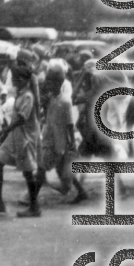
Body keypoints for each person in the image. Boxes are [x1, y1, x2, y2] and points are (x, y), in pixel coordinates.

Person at [0, 64, 42, 217]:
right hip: (15, 135)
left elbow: (21, 118)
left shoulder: (28, 96)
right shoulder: (22, 93)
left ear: (26, 80)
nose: (15, 81)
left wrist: (1, 132)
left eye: (18, 79)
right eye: (14, 78)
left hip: (25, 137)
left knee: (27, 172)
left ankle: (34, 207)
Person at [35, 67, 87, 205]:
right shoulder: (52, 98)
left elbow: (69, 124)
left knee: (42, 166)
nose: (47, 85)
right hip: (51, 137)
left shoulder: (65, 101)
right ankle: (81, 192)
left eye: (50, 82)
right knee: (62, 168)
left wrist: (71, 144)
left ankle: (31, 199)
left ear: (58, 83)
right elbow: (48, 117)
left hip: (60, 140)